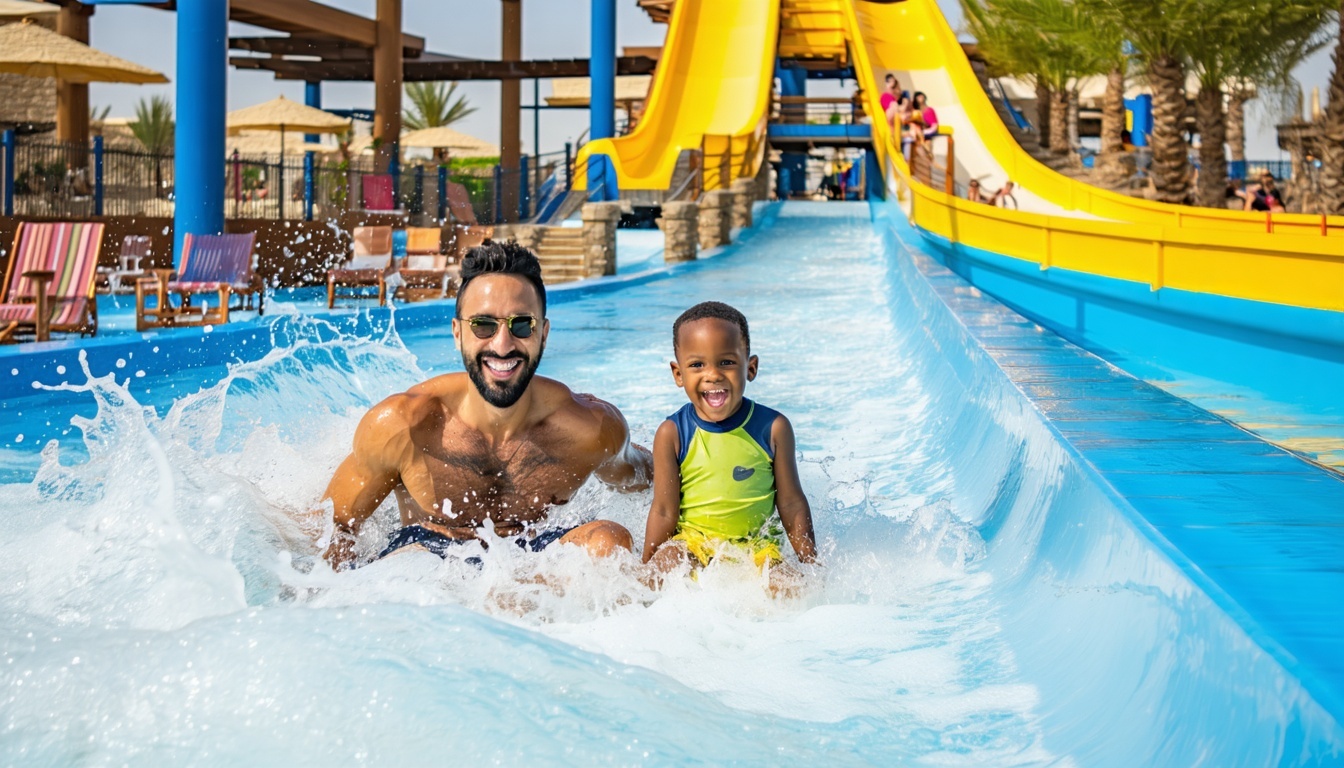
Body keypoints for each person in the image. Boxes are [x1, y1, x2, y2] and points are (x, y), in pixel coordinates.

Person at [319, 240, 653, 569]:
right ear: (457, 332)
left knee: (610, 542)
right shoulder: (402, 425)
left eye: (522, 325)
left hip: (533, 557)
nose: (503, 344)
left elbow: (652, 480)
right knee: (409, 564)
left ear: (544, 334)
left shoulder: (590, 430)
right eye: (483, 325)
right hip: (424, 557)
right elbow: (332, 529)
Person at [642, 302, 817, 592]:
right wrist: (646, 568)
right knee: (663, 568)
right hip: (693, 545)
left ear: (751, 368)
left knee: (792, 590)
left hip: (757, 550)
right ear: (678, 373)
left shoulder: (772, 428)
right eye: (697, 365)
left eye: (726, 362)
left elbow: (791, 502)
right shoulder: (672, 433)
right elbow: (663, 511)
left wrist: (811, 564)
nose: (712, 375)